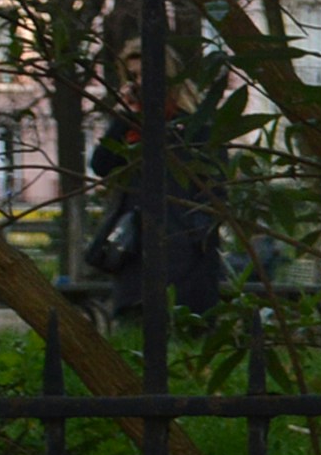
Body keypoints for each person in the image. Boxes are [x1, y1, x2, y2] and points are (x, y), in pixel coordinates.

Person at [83, 46, 225, 321]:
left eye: (144, 73)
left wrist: (198, 233)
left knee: (187, 335)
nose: (138, 81)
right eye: (132, 75)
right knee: (137, 336)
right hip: (137, 249)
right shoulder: (130, 125)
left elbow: (216, 184)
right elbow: (101, 165)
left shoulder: (195, 124)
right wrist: (126, 116)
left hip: (187, 252)